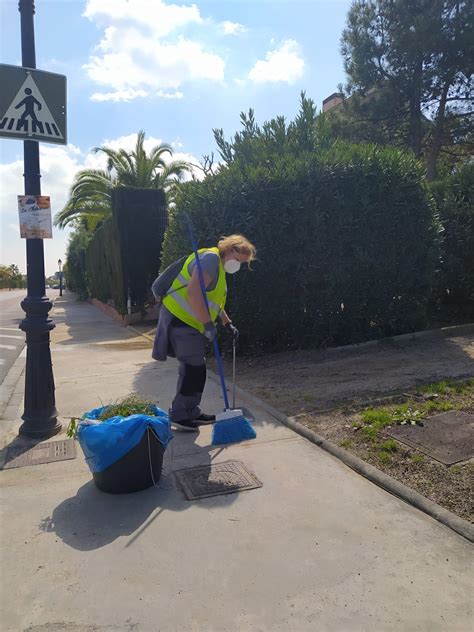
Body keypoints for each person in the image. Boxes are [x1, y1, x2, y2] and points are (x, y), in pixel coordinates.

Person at [152, 234, 257, 430]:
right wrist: (207, 324)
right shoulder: (210, 260)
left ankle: (188, 411)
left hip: (186, 321)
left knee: (193, 368)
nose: (238, 265)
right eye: (239, 259)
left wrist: (227, 323)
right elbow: (194, 292)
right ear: (231, 249)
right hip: (180, 319)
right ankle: (181, 414)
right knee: (194, 369)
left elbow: (213, 301)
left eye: (242, 262)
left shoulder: (217, 265)